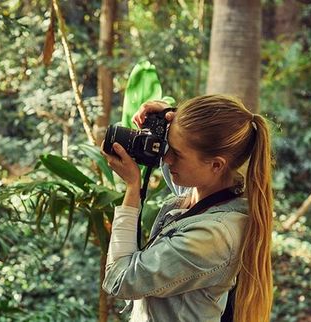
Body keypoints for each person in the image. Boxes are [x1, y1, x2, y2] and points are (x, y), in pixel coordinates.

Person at [101, 94, 274, 321]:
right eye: (167, 146)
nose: (166, 159)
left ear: (216, 165)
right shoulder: (211, 193)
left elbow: (119, 280)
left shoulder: (213, 236)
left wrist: (133, 188)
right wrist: (169, 117)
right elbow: (182, 174)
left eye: (177, 153)